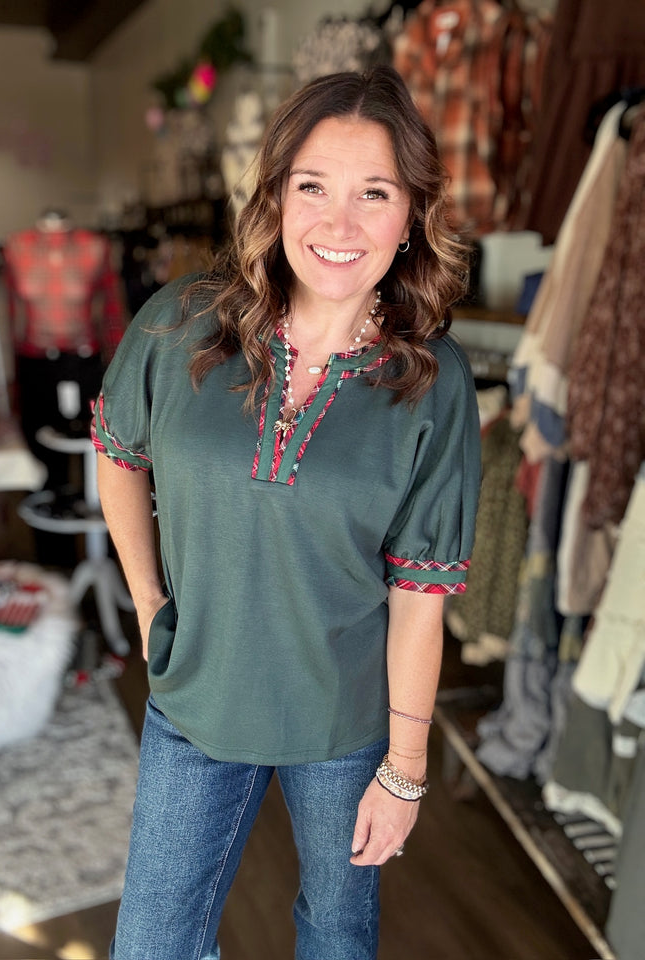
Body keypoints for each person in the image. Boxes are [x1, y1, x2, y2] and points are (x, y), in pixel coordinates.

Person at [93, 64, 481, 960]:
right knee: (151, 945)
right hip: (194, 702)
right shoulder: (180, 323)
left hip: (345, 725)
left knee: (337, 937)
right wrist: (153, 607)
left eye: (373, 193)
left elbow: (421, 596)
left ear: (412, 213)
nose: (338, 225)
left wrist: (408, 770)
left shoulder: (433, 382)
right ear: (274, 196)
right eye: (313, 187)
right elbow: (117, 456)